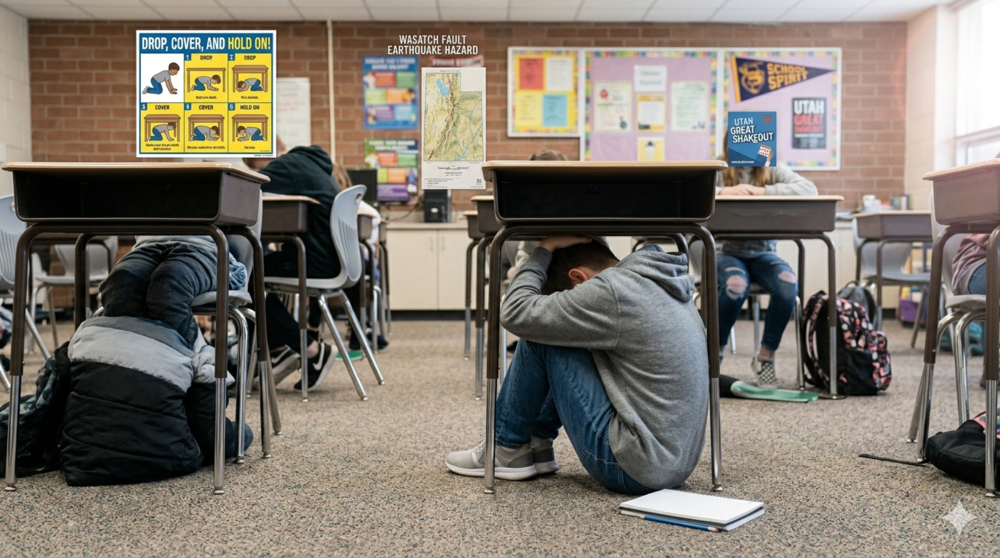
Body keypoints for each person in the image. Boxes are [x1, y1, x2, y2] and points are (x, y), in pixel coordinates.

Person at [445, 237, 708, 493]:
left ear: (579, 277)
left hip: (633, 469)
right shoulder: (657, 278)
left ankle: (505, 446)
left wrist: (543, 249)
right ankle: (536, 442)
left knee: (540, 333)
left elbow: (515, 312)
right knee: (559, 330)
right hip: (675, 464)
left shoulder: (612, 291)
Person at [245, 141, 366, 389]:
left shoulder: (288, 165)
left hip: (316, 262)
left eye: (253, 163)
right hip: (327, 259)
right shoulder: (309, 164)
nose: (255, 168)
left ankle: (310, 350)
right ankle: (279, 350)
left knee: (242, 276)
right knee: (250, 270)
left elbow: (245, 186)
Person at [715, 147, 817, 389]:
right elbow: (692, 190)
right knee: (736, 285)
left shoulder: (772, 169)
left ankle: (765, 358)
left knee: (788, 283)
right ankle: (713, 355)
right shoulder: (718, 168)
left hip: (764, 254)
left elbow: (809, 189)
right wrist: (724, 191)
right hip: (727, 252)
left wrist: (763, 190)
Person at [331, 163, 388, 352]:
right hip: (335, 260)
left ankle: (361, 328)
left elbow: (374, 217)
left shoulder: (353, 203)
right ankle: (362, 329)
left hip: (355, 260)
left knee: (356, 271)